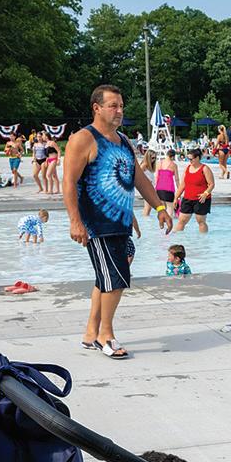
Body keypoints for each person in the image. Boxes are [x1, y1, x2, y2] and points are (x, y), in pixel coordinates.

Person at [64, 84, 173, 360]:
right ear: (97, 108)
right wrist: (75, 221)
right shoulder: (83, 139)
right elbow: (69, 183)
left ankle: (91, 331)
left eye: (121, 106)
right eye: (113, 106)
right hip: (97, 225)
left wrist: (159, 206)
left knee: (108, 276)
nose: (119, 111)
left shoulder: (123, 140)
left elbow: (137, 178)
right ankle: (106, 335)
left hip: (120, 223)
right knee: (115, 279)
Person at [175, 148, 214, 233]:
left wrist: (205, 194)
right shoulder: (187, 168)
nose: (189, 161)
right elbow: (182, 185)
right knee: (181, 220)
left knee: (201, 221)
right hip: (187, 198)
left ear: (197, 158)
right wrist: (176, 198)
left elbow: (211, 184)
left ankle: (203, 239)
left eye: (191, 159)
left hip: (201, 199)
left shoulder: (205, 169)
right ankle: (176, 238)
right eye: (188, 159)